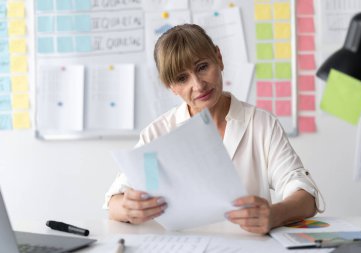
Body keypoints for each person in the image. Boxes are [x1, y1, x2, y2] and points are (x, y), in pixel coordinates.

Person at [104, 24, 324, 235]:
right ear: (170, 86)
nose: (198, 85)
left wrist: (274, 214)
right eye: (182, 78)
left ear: (219, 58)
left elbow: (306, 195)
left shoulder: (261, 124)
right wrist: (128, 207)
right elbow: (114, 200)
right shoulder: (157, 134)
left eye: (202, 67)